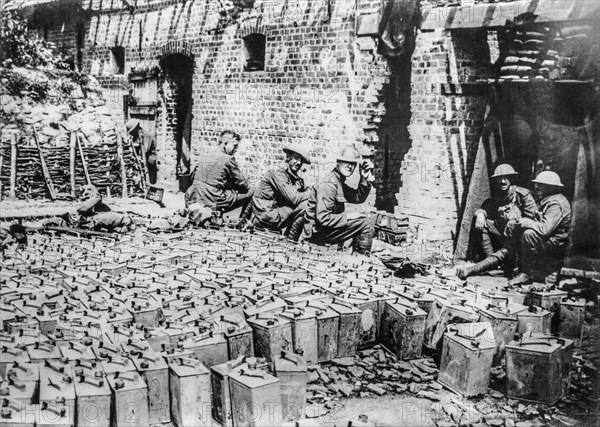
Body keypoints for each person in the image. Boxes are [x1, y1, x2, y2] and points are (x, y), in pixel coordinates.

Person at [457, 164, 537, 279]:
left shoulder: (523, 195)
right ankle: (491, 262)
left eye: (506, 178)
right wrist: (480, 214)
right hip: (503, 234)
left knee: (504, 253)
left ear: (512, 179)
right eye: (500, 178)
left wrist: (516, 225)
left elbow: (532, 221)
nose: (503, 181)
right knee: (481, 221)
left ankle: (485, 266)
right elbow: (486, 208)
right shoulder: (499, 195)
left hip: (518, 238)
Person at [302, 145, 375, 254]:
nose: (350, 166)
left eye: (353, 163)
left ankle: (358, 259)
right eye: (346, 162)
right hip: (317, 236)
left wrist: (363, 178)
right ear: (338, 161)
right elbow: (323, 219)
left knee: (364, 221)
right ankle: (361, 261)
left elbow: (357, 197)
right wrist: (350, 215)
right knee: (366, 224)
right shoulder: (330, 184)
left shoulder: (338, 181)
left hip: (325, 231)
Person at [506, 171, 571, 286]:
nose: (537, 187)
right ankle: (516, 268)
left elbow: (545, 229)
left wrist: (527, 222)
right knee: (518, 228)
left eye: (541, 185)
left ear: (552, 188)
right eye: (537, 184)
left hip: (557, 244)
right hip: (549, 240)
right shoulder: (547, 200)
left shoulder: (556, 203)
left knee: (529, 234)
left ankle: (527, 274)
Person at [184, 130, 254, 219]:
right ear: (225, 144)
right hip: (212, 198)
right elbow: (243, 184)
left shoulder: (205, 155)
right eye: (234, 146)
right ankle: (243, 222)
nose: (235, 150)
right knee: (253, 191)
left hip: (193, 196)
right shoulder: (228, 159)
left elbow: (193, 177)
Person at [251, 144, 311, 238]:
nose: (299, 163)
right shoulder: (278, 174)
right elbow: (294, 198)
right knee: (306, 205)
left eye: (301, 160)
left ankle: (289, 236)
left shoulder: (291, 176)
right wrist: (311, 193)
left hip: (272, 214)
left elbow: (305, 189)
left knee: (307, 202)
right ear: (288, 158)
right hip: (266, 216)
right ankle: (291, 238)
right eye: (296, 158)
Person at [126, 119, 157, 184]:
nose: (131, 134)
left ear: (135, 129)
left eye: (132, 132)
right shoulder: (135, 136)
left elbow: (145, 150)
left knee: (147, 183)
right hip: (142, 162)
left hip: (149, 163)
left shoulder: (146, 136)